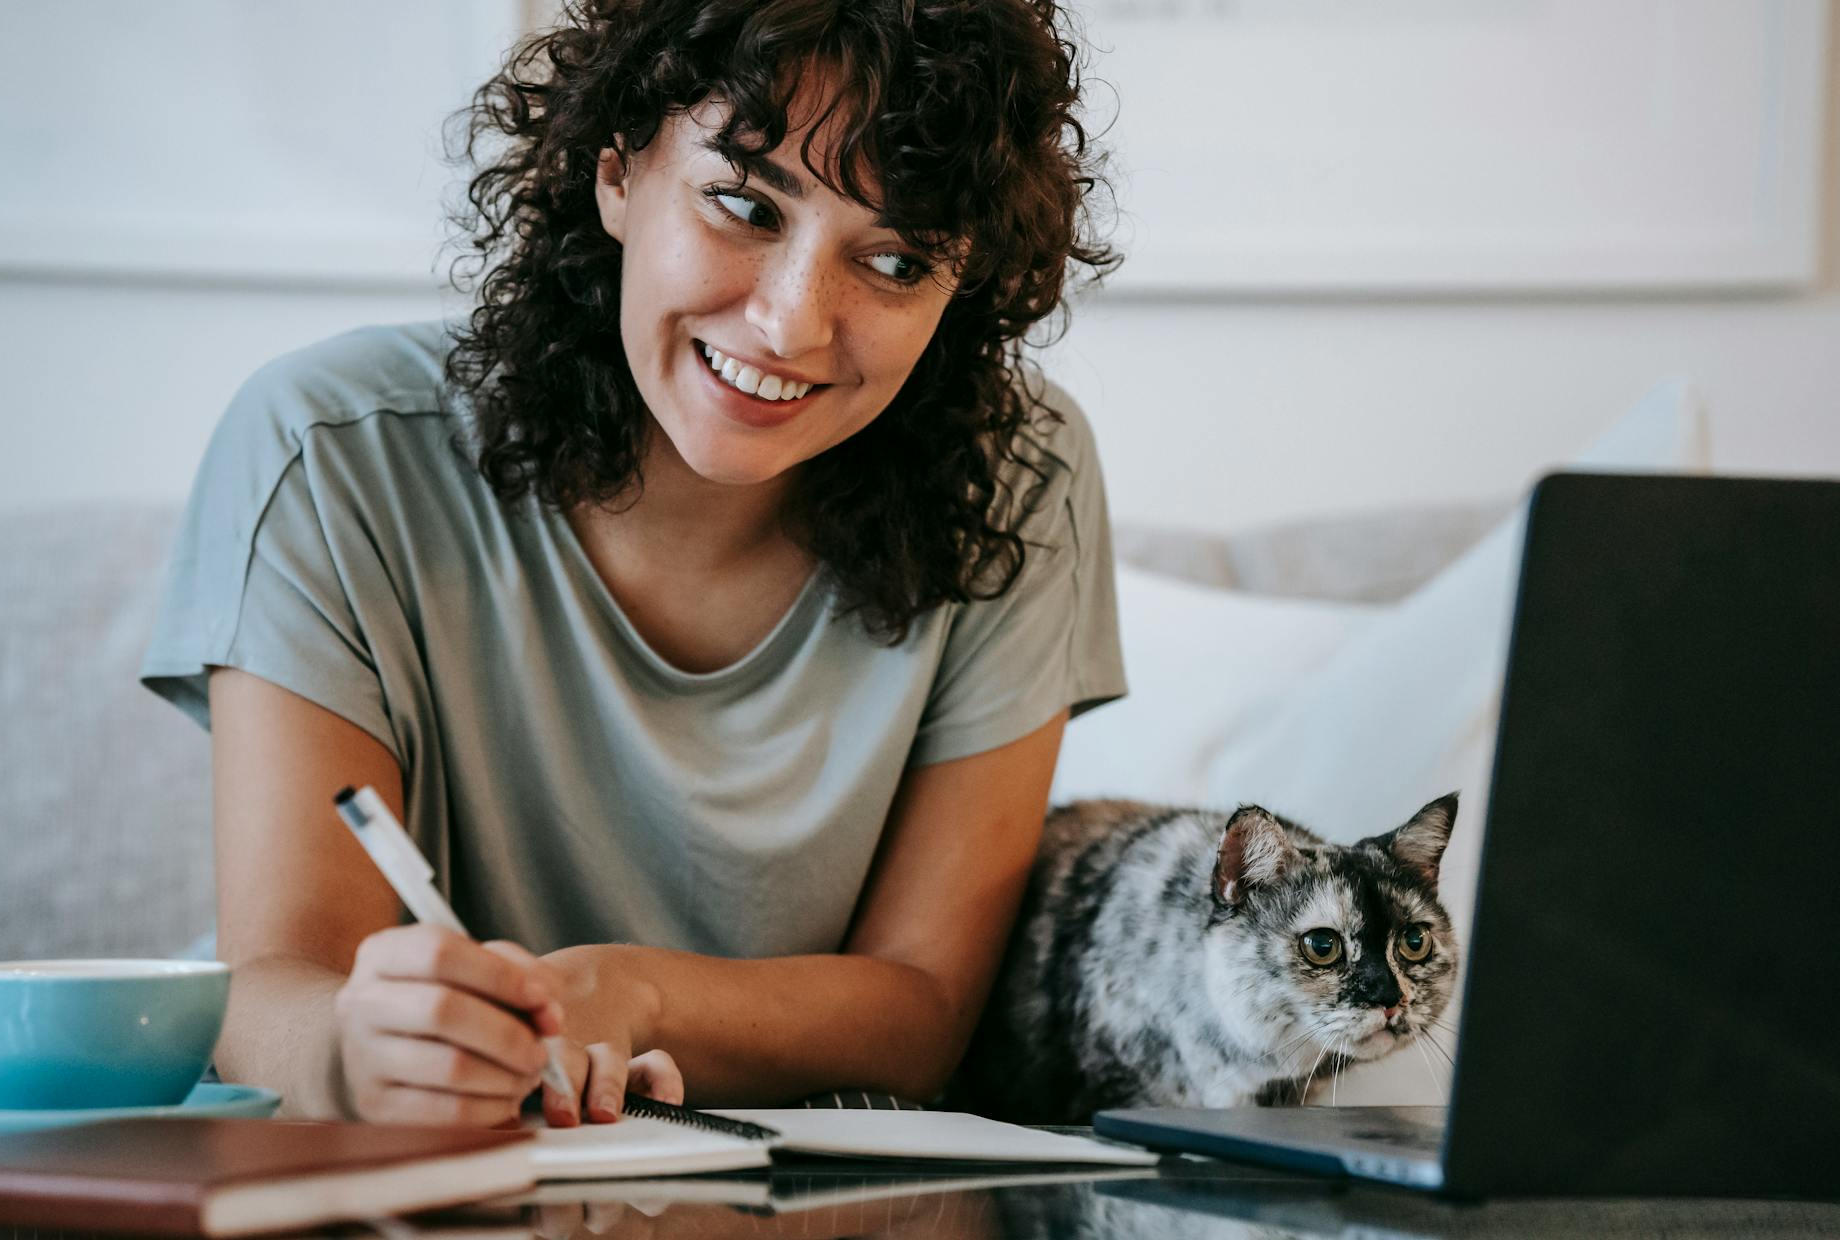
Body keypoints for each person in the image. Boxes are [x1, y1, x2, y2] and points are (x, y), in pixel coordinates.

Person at [141, 0, 1122, 1128]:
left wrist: (633, 991)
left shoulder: (1019, 477)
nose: (792, 323)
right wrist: (357, 1052)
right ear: (616, 170)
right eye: (744, 203)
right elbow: (277, 983)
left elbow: (924, 1007)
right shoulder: (326, 454)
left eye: (896, 259)